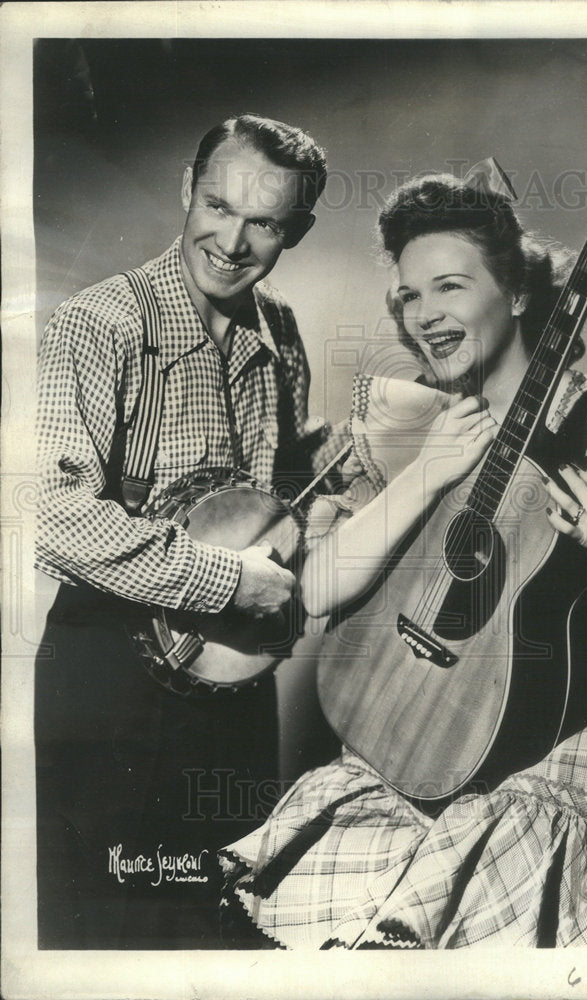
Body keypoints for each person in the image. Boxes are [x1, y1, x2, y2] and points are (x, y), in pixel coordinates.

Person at [218, 171, 587, 949]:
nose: (423, 314)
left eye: (449, 286)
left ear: (520, 293)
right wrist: (431, 470)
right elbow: (316, 592)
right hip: (418, 743)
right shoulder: (416, 428)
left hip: (575, 771)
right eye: (407, 295)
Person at [35, 114, 336, 949]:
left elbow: (265, 493)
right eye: (217, 204)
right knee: (103, 921)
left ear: (296, 231)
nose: (232, 240)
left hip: (235, 686)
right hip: (109, 683)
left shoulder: (281, 332)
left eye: (264, 222)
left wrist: (330, 473)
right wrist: (229, 580)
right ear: (186, 190)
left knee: (225, 909)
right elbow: (52, 520)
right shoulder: (97, 325)